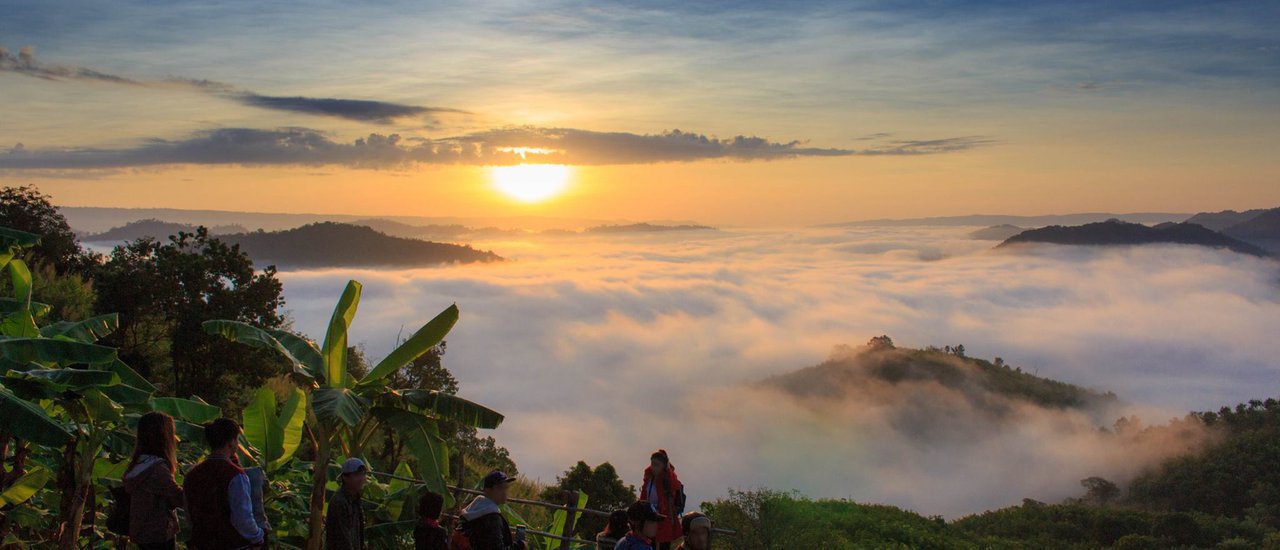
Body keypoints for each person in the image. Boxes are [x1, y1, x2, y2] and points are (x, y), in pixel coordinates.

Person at [183, 418, 265, 549]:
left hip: (203, 543)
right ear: (231, 442)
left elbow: (189, 514)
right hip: (231, 544)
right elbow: (242, 518)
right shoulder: (235, 475)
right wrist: (258, 537)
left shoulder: (193, 474)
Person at [124, 411, 184, 550]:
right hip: (158, 532)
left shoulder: (138, 464)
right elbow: (176, 496)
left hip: (141, 531)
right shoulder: (157, 468)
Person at [460, 470, 525, 550]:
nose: (504, 492)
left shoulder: (474, 509)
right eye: (500, 488)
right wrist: (520, 546)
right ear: (488, 490)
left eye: (506, 487)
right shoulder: (492, 516)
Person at [639, 450, 684, 550]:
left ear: (663, 466)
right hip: (648, 518)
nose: (654, 467)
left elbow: (675, 485)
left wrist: (668, 470)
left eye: (657, 465)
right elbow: (643, 496)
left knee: (663, 546)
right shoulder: (648, 477)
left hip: (664, 519)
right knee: (648, 544)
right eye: (652, 464)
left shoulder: (668, 479)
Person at [326, 458, 368, 550]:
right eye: (357, 475)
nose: (361, 478)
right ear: (345, 477)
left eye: (363, 474)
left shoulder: (356, 498)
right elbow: (342, 537)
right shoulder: (339, 502)